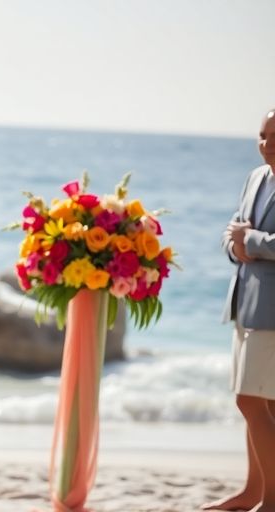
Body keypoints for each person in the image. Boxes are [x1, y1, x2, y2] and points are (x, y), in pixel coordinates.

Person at [207, 108, 275, 512]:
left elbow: (250, 236)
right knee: (264, 406)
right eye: (263, 135)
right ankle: (254, 493)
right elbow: (233, 230)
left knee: (247, 401)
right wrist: (234, 246)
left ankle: (271, 501)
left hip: (273, 313)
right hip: (245, 304)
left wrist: (250, 241)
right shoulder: (256, 177)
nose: (267, 144)